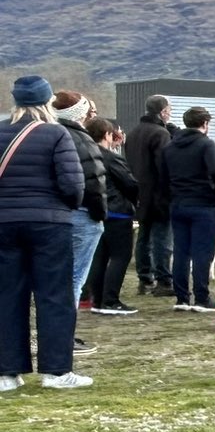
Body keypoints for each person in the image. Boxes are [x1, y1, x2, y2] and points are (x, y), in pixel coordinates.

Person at [0, 76, 91, 391]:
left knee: (7, 295)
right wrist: (64, 206)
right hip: (49, 223)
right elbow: (73, 185)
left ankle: (7, 373)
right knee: (54, 296)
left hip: (4, 223)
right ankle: (56, 371)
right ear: (46, 101)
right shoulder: (55, 133)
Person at [162, 104, 215, 312]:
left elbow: (163, 176)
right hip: (204, 203)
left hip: (178, 203)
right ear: (205, 123)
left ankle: (182, 297)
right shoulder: (206, 145)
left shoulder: (170, 147)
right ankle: (202, 297)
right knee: (202, 252)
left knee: (181, 251)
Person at [51, 92, 106, 319]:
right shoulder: (81, 140)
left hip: (54, 214)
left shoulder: (49, 134)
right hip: (82, 213)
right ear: (80, 114)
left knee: (55, 276)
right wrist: (100, 214)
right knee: (74, 277)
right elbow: (93, 180)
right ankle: (65, 333)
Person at [85, 118, 139, 315]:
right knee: (120, 256)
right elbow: (130, 183)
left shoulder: (84, 155)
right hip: (117, 211)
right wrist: (134, 201)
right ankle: (111, 300)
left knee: (99, 257)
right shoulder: (111, 157)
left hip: (96, 211)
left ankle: (97, 299)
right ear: (107, 135)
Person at [126, 95, 173, 295]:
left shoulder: (134, 133)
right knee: (162, 238)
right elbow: (164, 166)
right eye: (169, 109)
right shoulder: (160, 134)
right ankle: (163, 280)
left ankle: (144, 279)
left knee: (144, 237)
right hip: (159, 194)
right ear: (162, 111)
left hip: (139, 194)